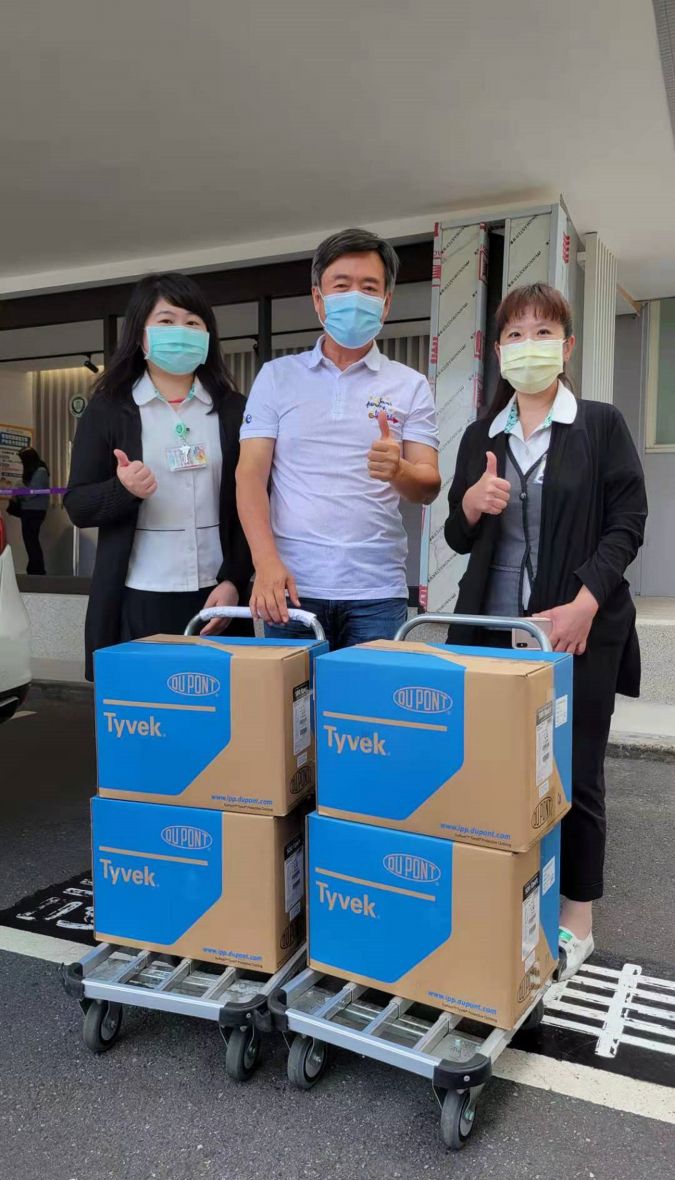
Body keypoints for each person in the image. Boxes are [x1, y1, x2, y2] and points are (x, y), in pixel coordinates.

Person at [444, 282, 647, 980]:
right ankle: (502, 894)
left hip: (575, 630)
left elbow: (628, 521)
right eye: (514, 334)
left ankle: (575, 917)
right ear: (497, 350)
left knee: (573, 771)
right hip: (491, 630)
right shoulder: (482, 435)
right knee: (493, 767)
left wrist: (587, 601)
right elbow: (456, 534)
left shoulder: (599, 425)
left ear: (566, 346)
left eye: (542, 333)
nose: (527, 346)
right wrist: (472, 503)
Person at [236, 228, 441, 649]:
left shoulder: (411, 384)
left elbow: (428, 486)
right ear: (318, 299)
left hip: (376, 591)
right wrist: (265, 562)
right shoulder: (276, 377)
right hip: (291, 588)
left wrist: (399, 470)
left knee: (371, 695)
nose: (355, 297)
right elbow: (250, 476)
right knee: (290, 696)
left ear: (386, 303)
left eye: (369, 287)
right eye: (342, 285)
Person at [65, 272, 253, 681]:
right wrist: (123, 490)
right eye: (166, 321)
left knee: (219, 706)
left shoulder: (233, 410)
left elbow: (251, 505)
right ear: (140, 335)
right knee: (145, 705)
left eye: (193, 322)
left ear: (208, 336)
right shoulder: (109, 410)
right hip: (139, 594)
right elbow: (77, 505)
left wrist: (235, 581)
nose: (180, 332)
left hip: (217, 597)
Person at [15, 447, 50, 574]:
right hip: (29, 511)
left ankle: (37, 570)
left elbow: (32, 492)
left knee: (31, 541)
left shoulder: (41, 471)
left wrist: (19, 486)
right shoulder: (35, 471)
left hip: (34, 512)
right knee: (30, 541)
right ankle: (33, 568)